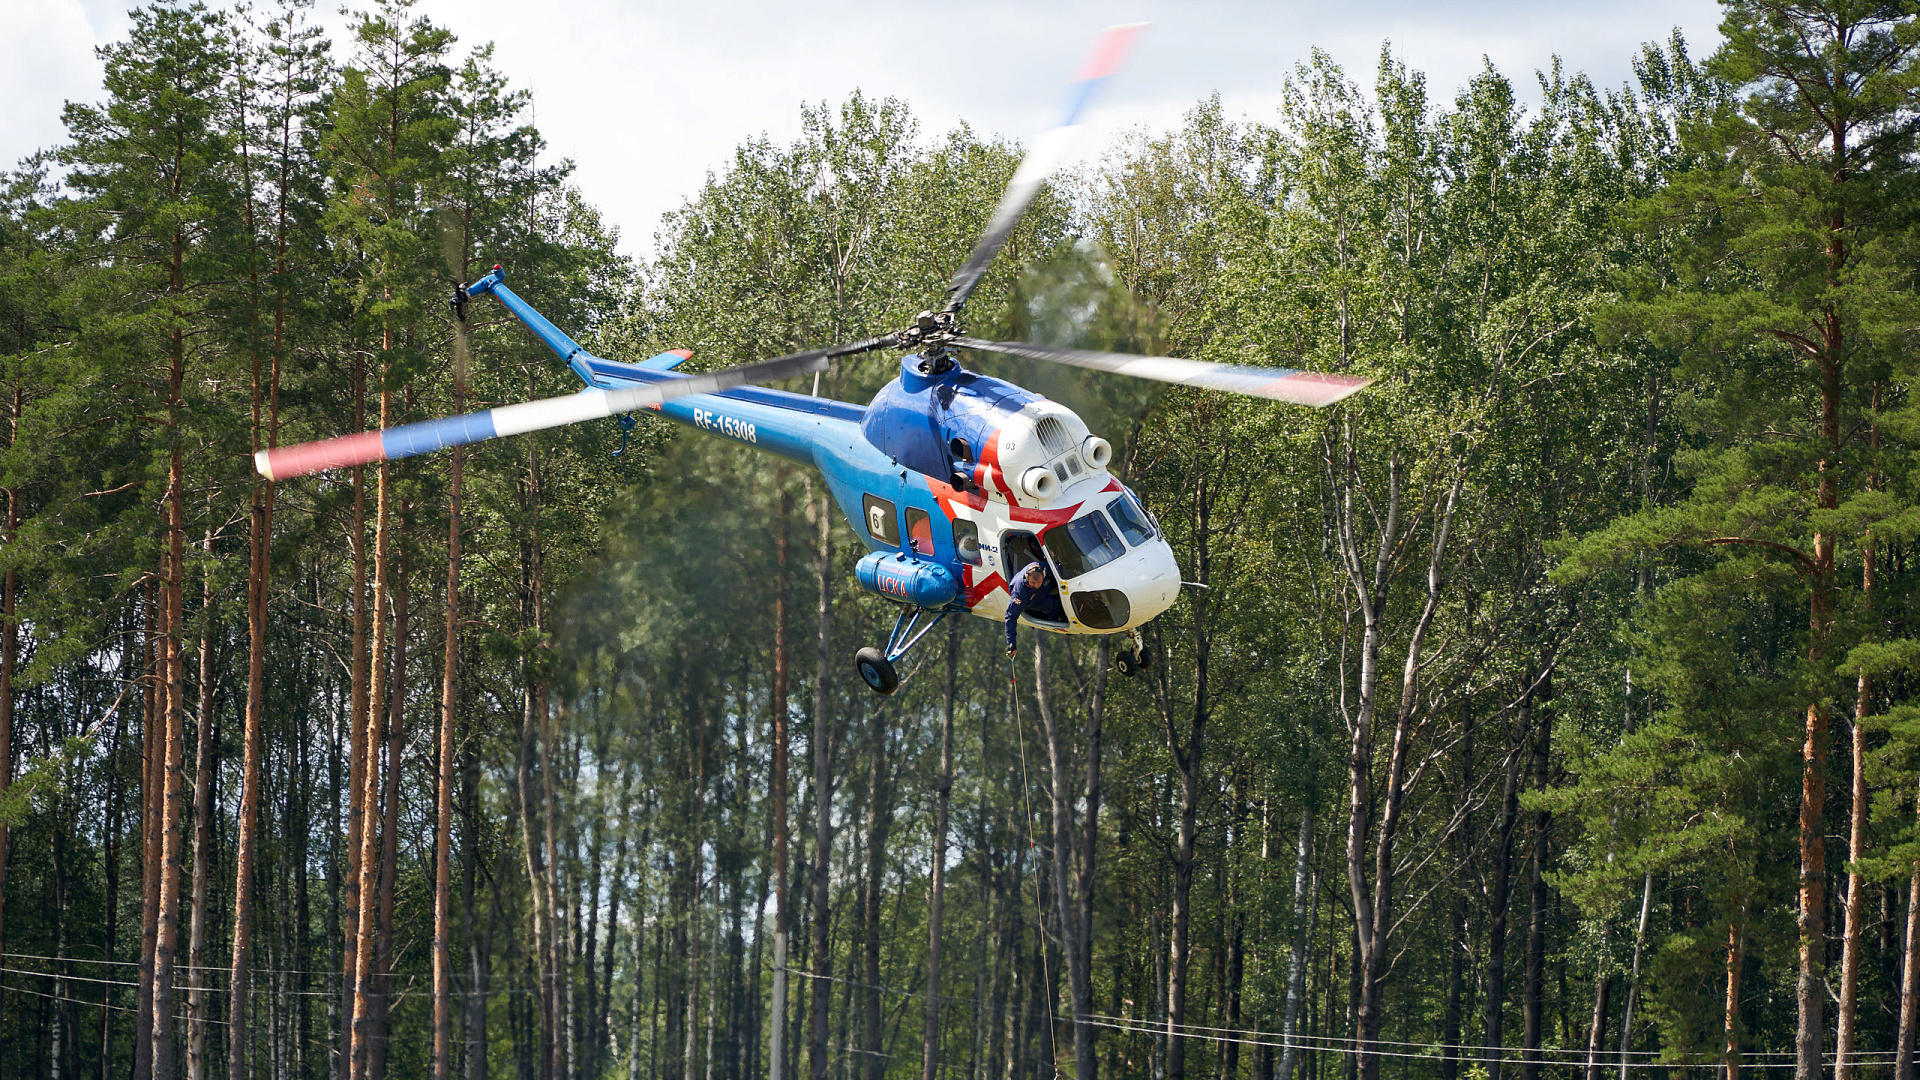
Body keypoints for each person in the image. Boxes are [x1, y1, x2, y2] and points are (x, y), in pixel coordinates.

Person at [1005, 561, 1067, 656]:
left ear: (1044, 575)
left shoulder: (1046, 570)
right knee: (1049, 605)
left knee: (1054, 603)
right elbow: (1011, 616)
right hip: (1030, 602)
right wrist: (1011, 642)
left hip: (1044, 593)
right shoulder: (1019, 592)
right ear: (1026, 577)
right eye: (1033, 583)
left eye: (1039, 582)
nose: (1036, 585)